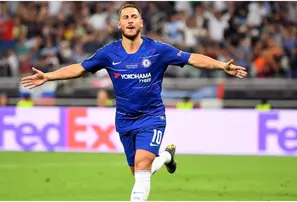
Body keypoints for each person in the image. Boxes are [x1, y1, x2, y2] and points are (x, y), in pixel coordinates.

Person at [21, 4, 247, 201]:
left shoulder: (157, 50)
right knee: (140, 172)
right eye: (125, 17)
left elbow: (191, 58)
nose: (130, 21)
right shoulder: (108, 53)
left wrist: (220, 65)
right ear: (119, 24)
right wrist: (49, 76)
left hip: (152, 117)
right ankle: (167, 156)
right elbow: (80, 68)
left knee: (142, 167)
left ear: (141, 22)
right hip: (124, 120)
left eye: (134, 17)